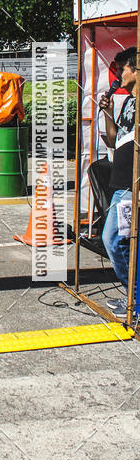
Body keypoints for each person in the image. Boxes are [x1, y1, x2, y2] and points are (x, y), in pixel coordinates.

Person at [99, 46, 137, 316]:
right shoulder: (128, 102)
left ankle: (135, 300)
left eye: (123, 68)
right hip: (120, 182)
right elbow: (114, 139)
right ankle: (134, 298)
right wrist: (108, 111)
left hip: (131, 187)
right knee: (124, 243)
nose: (118, 74)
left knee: (113, 240)